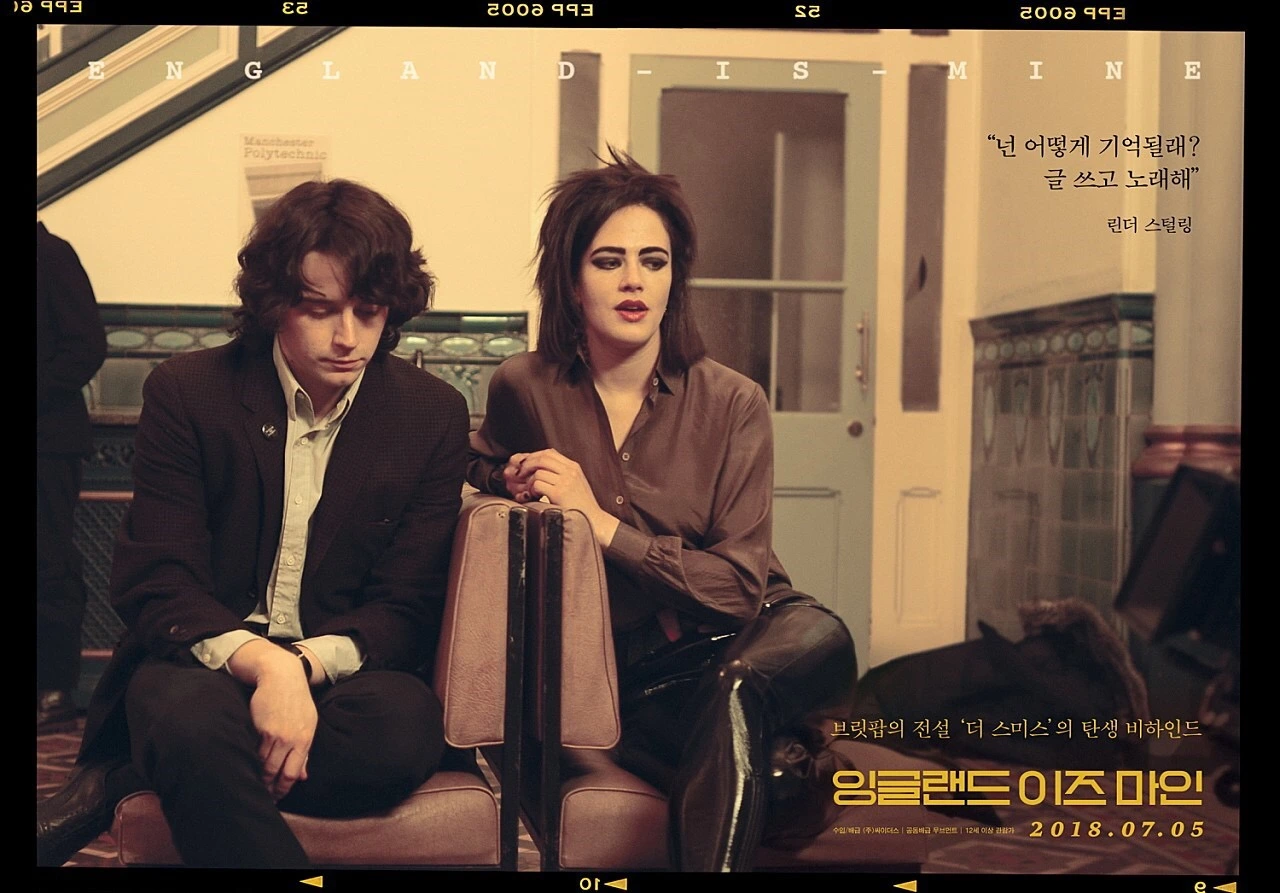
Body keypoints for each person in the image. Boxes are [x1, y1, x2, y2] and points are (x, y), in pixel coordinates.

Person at [36, 179, 470, 868]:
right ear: (273, 304)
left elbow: (406, 606)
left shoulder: (431, 413)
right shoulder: (187, 391)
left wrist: (300, 668)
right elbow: (160, 582)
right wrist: (266, 665)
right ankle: (189, 761)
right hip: (202, 661)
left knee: (399, 733)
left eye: (368, 311)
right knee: (185, 721)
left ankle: (166, 773)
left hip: (343, 674)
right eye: (319, 309)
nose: (348, 337)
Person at [467, 149, 858, 871]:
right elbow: (471, 460)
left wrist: (601, 524)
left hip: (771, 629)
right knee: (777, 779)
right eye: (608, 261)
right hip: (650, 675)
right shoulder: (525, 387)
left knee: (739, 687)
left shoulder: (733, 401)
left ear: (675, 278)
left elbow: (739, 588)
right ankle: (802, 754)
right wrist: (506, 476)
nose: (634, 281)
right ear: (570, 280)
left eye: (654, 261)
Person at [37, 220, 108, 733]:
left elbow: (87, 346)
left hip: (46, 441)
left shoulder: (51, 253)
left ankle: (54, 689)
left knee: (48, 563)